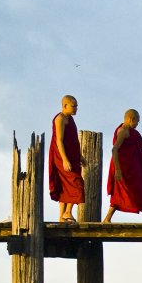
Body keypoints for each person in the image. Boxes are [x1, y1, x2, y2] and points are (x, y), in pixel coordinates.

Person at [103, 109, 142, 223]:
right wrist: (117, 169)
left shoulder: (132, 133)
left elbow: (141, 145)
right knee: (120, 193)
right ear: (132, 119)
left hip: (133, 169)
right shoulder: (123, 131)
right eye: (137, 122)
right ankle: (107, 218)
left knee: (139, 191)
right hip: (122, 168)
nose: (137, 124)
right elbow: (114, 149)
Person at [48, 94, 85, 223]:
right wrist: (64, 159)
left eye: (77, 106)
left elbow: (73, 139)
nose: (76, 109)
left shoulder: (70, 118)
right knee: (76, 182)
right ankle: (68, 212)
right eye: (73, 106)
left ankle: (61, 217)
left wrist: (80, 156)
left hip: (72, 156)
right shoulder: (60, 119)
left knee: (65, 185)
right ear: (65, 106)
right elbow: (59, 140)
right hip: (61, 156)